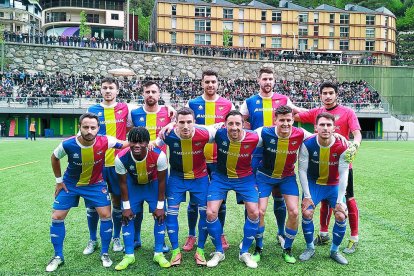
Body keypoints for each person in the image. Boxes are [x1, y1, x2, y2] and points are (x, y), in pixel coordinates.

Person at [46, 113, 128, 272]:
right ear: (80, 127)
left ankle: (105, 253)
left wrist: (149, 139)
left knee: (105, 215)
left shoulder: (105, 140)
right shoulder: (68, 144)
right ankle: (58, 256)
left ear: (98, 128)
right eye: (85, 127)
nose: (89, 131)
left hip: (95, 184)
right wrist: (59, 181)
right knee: (56, 217)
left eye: (93, 127)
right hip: (71, 184)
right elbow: (54, 157)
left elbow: (125, 144)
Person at [239, 67, 304, 257]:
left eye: (270, 79)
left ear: (274, 81)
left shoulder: (284, 100)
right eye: (264, 79)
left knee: (279, 197)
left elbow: (300, 114)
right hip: (257, 155)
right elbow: (241, 121)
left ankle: (281, 233)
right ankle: (251, 234)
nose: (267, 82)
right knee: (253, 201)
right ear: (258, 80)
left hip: (281, 153)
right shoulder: (249, 101)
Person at [295, 81, 362, 254]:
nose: (328, 96)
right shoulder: (317, 112)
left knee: (348, 200)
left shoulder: (348, 112)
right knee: (324, 200)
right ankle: (323, 234)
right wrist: (283, 103)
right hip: (319, 166)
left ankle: (354, 237)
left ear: (336, 94)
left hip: (342, 166)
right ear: (320, 95)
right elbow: (295, 115)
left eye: (331, 93)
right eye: (324, 93)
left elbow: (357, 133)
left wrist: (354, 145)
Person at [153, 107, 216, 266]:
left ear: (195, 122)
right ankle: (175, 251)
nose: (186, 126)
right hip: (176, 180)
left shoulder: (205, 134)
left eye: (189, 122)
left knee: (205, 214)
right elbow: (153, 145)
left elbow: (222, 127)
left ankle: (200, 250)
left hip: (200, 179)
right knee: (171, 215)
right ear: (176, 123)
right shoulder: (168, 135)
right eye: (182, 122)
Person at [254, 105, 314, 264]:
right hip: (264, 177)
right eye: (282, 120)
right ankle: (258, 247)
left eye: (289, 120)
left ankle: (287, 248)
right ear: (275, 120)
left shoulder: (300, 133)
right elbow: (246, 140)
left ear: (293, 120)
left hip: (287, 177)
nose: (286, 124)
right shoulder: (263, 132)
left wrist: (337, 135)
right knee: (259, 211)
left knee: (294, 212)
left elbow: (318, 137)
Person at [183, 69, 234, 252]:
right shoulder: (193, 103)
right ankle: (191, 235)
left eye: (213, 82)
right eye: (207, 82)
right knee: (195, 200)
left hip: (221, 159)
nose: (210, 85)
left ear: (218, 83)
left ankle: (220, 233)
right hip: (198, 159)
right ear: (202, 83)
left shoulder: (227, 104)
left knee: (221, 200)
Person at [206, 110, 260, 269]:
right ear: (225, 125)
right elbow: (198, 130)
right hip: (221, 177)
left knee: (254, 212)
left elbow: (275, 133)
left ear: (244, 125)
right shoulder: (219, 134)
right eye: (231, 123)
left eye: (238, 124)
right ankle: (218, 251)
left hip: (245, 178)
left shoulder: (254, 137)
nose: (234, 127)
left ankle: (244, 252)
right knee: (210, 213)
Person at [114, 127, 170, 270]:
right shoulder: (120, 157)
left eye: (141, 142)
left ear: (147, 142)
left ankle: (158, 253)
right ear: (129, 142)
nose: (137, 145)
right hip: (133, 186)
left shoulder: (159, 155)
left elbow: (163, 181)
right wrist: (126, 207)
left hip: (153, 185)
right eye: (133, 141)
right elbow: (122, 183)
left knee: (160, 215)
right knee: (126, 216)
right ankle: (129, 255)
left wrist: (160, 206)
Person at [85, 77, 130, 255]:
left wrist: (170, 108)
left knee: (117, 202)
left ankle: (116, 238)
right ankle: (92, 239)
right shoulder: (92, 110)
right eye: (105, 88)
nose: (108, 91)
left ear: (117, 90)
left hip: (118, 165)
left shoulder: (126, 108)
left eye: (111, 87)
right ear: (101, 90)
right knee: (92, 204)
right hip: (97, 165)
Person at [298, 112, 349, 265]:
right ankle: (309, 248)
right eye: (322, 125)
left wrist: (340, 200)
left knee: (341, 215)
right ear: (316, 128)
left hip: (333, 185)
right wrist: (307, 196)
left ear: (334, 128)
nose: (325, 128)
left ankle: (334, 250)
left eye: (328, 125)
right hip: (314, 184)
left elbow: (344, 172)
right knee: (307, 212)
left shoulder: (342, 145)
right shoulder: (308, 144)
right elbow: (301, 170)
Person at [129, 81, 174, 252]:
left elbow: (177, 123)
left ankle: (161, 242)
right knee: (136, 209)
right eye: (147, 91)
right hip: (137, 167)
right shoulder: (134, 114)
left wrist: (172, 115)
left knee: (161, 207)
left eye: (153, 92)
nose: (150, 95)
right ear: (142, 94)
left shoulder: (168, 113)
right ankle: (135, 238)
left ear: (159, 94)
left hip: (159, 169)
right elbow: (130, 134)